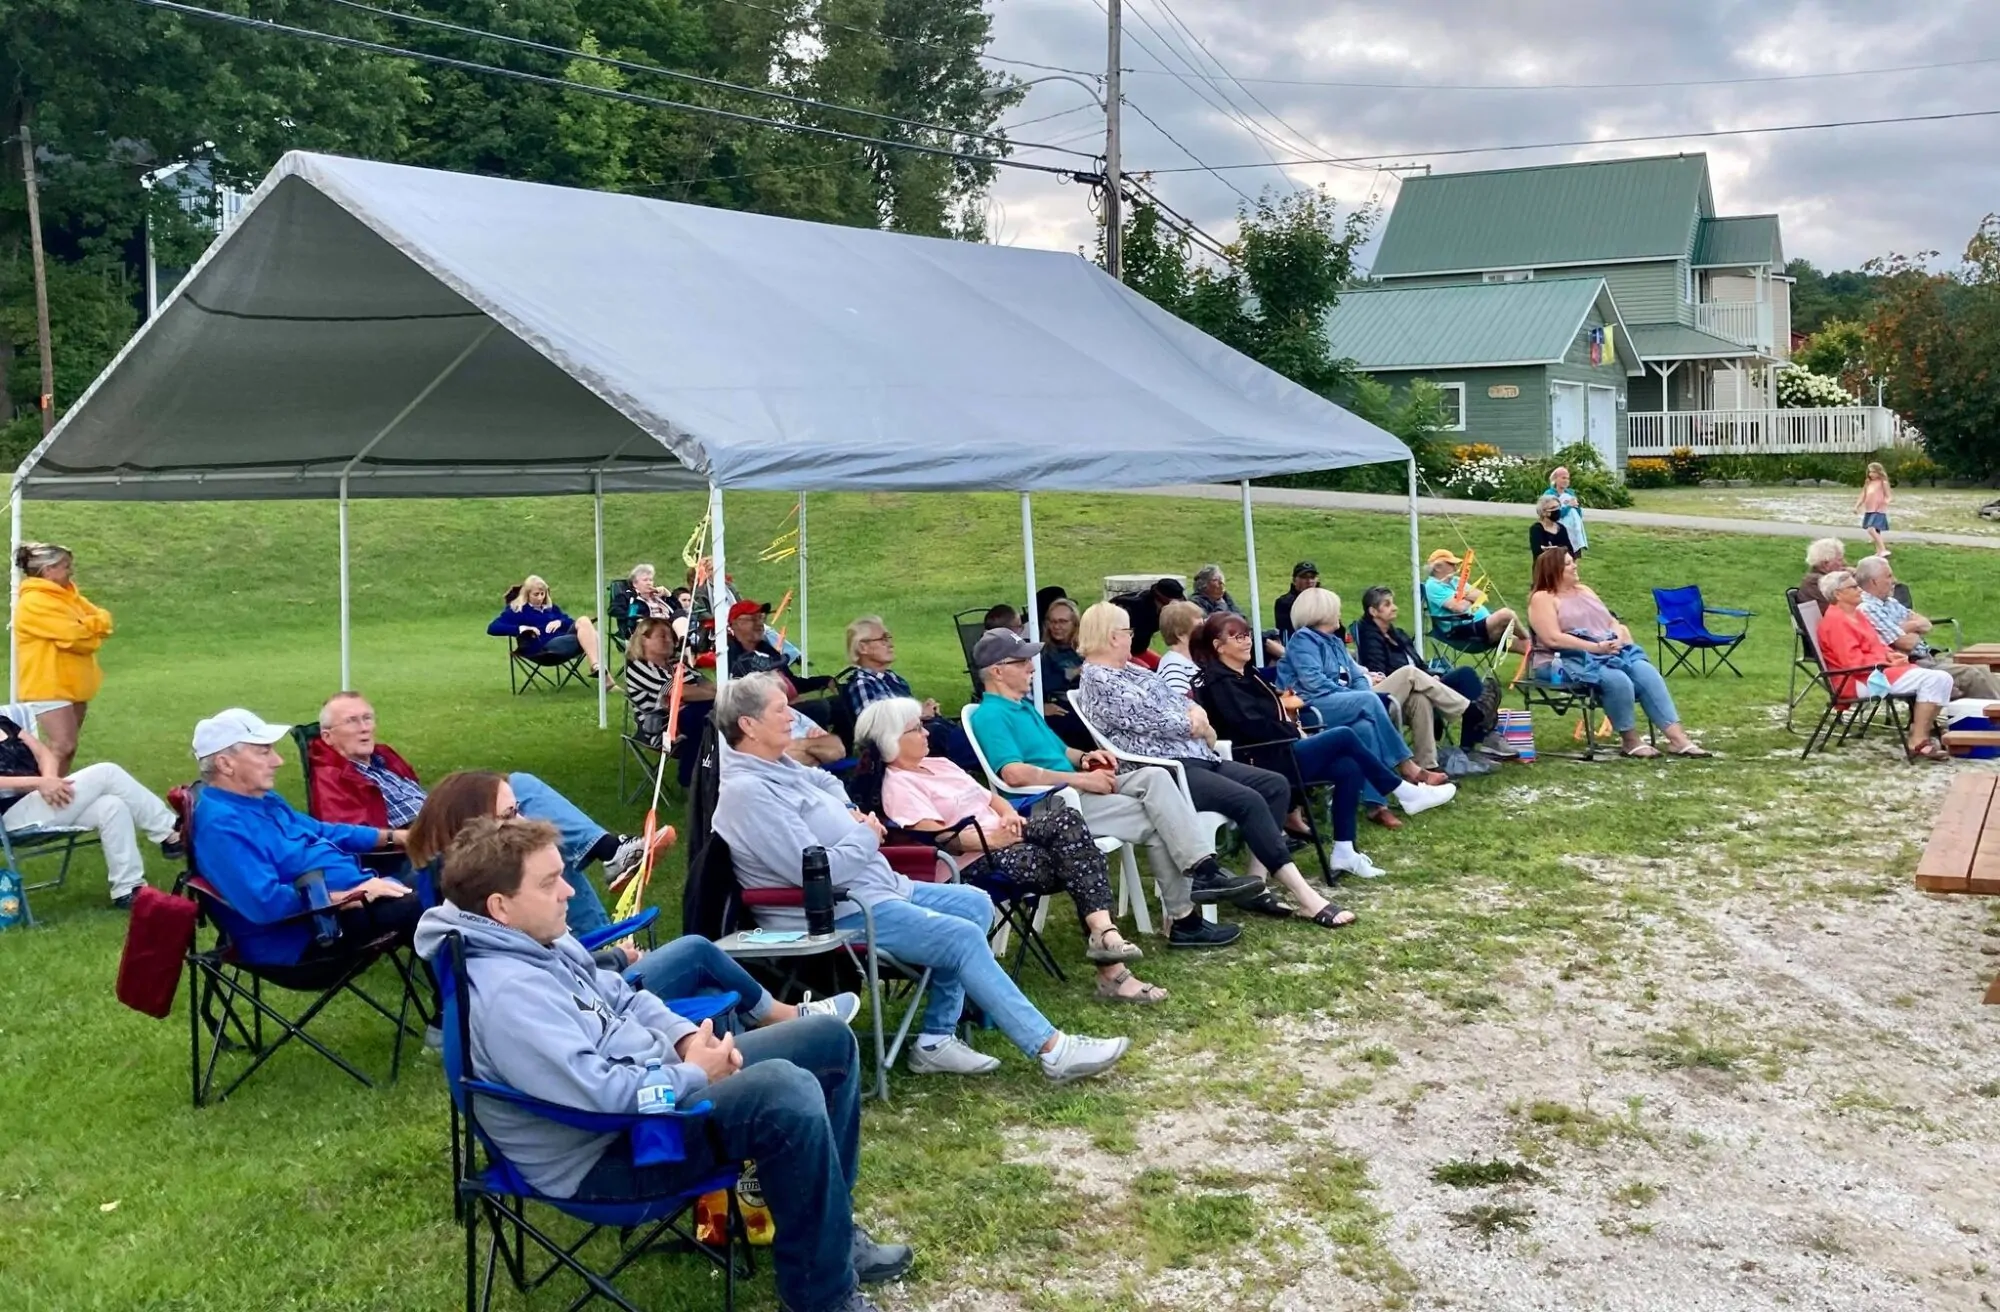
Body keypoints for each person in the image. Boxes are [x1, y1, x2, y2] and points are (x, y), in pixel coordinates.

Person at [413, 817, 909, 1312]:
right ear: (499, 907)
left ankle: (831, 1239)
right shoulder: (508, 995)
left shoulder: (542, 939)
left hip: (654, 1097)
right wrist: (694, 1074)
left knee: (827, 1041)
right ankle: (820, 1300)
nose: (568, 891)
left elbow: (626, 997)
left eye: (561, 874)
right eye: (549, 883)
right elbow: (602, 1097)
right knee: (784, 1091)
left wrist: (688, 1039)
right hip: (609, 1155)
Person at [713, 673, 1132, 1082]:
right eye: (780, 710)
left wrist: (846, 810)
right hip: (836, 911)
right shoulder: (749, 791)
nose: (793, 717)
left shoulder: (781, 768)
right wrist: (864, 833)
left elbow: (823, 779)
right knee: (960, 937)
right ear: (748, 725)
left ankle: (934, 1039)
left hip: (877, 888)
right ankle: (1052, 1049)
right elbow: (814, 873)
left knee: (975, 904)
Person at [404, 769, 858, 1023]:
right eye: (510, 813)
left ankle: (762, 1035)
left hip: (589, 982)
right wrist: (616, 961)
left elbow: (549, 962)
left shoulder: (481, 888)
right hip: (590, 1002)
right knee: (699, 957)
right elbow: (547, 978)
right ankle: (779, 1022)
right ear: (475, 824)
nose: (522, 820)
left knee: (702, 968)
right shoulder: (491, 895)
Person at [857, 698, 1166, 1004]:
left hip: (1006, 837)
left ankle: (1103, 932)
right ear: (891, 742)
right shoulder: (899, 786)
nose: (927, 733)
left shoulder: (940, 765)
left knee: (1069, 821)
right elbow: (941, 838)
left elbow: (991, 799)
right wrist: (993, 840)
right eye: (916, 729)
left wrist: (1007, 815)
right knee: (1081, 859)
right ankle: (1111, 966)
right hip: (970, 862)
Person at [964, 629, 1256, 948]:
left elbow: (1061, 752)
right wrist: (1080, 779)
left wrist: (1088, 757)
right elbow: (1014, 773)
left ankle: (1203, 867)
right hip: (1052, 806)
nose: (1032, 669)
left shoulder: (1022, 708)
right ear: (997, 671)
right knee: (1159, 824)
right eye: (1022, 663)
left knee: (1156, 776)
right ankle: (1185, 920)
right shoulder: (991, 715)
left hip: (1075, 790)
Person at [1075, 604, 1359, 929]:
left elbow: (1185, 703)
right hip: (1167, 770)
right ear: (1113, 637)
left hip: (1199, 758)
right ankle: (1307, 898)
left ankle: (1256, 882)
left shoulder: (1134, 671)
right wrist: (1193, 721)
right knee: (1248, 800)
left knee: (1275, 785)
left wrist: (1197, 718)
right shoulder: (1098, 679)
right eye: (1128, 632)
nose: (1131, 638)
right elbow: (1152, 719)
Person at [306, 691, 657, 935]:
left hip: (448, 825)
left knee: (537, 832)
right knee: (523, 798)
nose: (365, 726)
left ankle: (599, 932)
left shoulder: (382, 760)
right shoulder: (331, 776)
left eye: (368, 717)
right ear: (327, 735)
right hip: (420, 855)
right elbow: (345, 836)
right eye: (352, 721)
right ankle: (609, 862)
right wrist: (405, 835)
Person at [1190, 611, 1444, 880]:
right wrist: (1292, 728)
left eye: (1248, 634)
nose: (1247, 641)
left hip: (1279, 749)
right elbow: (1251, 726)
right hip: (1260, 761)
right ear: (1218, 646)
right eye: (1236, 636)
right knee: (1343, 735)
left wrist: (1288, 720)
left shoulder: (1247, 675)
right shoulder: (1221, 682)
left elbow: (1268, 716)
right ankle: (1403, 790)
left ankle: (1345, 851)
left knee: (1348, 767)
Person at [190, 708, 414, 967]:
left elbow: (324, 831)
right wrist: (353, 895)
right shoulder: (220, 826)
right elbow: (266, 903)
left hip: (354, 897)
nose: (278, 761)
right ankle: (457, 1002)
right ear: (225, 764)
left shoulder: (261, 799)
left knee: (450, 873)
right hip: (311, 934)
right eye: (264, 752)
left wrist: (397, 837)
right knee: (435, 903)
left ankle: (461, 996)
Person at [1274, 588, 1459, 828]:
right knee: (1369, 701)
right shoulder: (1303, 640)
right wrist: (1356, 697)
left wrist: (1357, 693)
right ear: (1322, 611)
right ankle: (1409, 769)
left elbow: (1357, 675)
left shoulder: (1335, 642)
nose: (1340, 611)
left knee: (1365, 726)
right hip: (1309, 708)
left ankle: (1376, 804)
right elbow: (1313, 683)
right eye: (1336, 607)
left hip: (1335, 702)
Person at [1527, 550, 1711, 759]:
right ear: (1554, 570)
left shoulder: (1584, 590)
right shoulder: (1542, 598)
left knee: (1646, 672)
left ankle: (1678, 740)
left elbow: (1610, 620)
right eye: (1569, 563)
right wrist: (1595, 648)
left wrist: (1616, 637)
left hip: (1608, 650)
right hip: (1562, 660)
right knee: (1616, 679)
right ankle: (1630, 740)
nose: (1575, 566)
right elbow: (1552, 639)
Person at [0, 711, 181, 908]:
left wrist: (50, 780)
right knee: (107, 772)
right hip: (12, 816)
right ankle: (171, 832)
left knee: (112, 806)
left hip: (45, 800)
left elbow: (44, 753)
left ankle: (128, 890)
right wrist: (39, 783)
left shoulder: (4, 722)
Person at [1354, 584, 1510, 767]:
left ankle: (1468, 745)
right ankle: (1474, 712)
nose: (1394, 607)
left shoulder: (1398, 634)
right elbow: (1381, 674)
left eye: (1392, 603)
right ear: (1373, 611)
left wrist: (1431, 676)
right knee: (1415, 684)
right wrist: (1422, 678)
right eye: (1387, 604)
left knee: (1465, 674)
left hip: (1424, 683)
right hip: (1400, 691)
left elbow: (1419, 664)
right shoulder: (1369, 638)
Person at [1817, 571, 1953, 758]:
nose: (1859, 590)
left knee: (1942, 679)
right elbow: (1852, 661)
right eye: (1853, 587)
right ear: (1838, 594)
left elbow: (1876, 644)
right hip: (1859, 679)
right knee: (1936, 679)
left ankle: (1920, 733)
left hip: (1876, 671)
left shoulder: (1856, 615)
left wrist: (1892, 655)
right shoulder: (1836, 622)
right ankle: (1917, 739)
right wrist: (1886, 663)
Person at [13, 542, 111, 774]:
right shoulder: (34, 602)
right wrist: (89, 630)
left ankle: (58, 796)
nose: (71, 571)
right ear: (48, 570)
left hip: (73, 685)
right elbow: (76, 637)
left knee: (69, 748)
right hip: (48, 685)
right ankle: (38, 795)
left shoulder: (68, 595)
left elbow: (103, 618)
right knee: (61, 745)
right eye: (66, 566)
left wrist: (87, 628)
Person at [840, 616, 978, 772]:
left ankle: (989, 755)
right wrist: (919, 713)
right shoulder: (862, 684)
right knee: (938, 732)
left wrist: (923, 708)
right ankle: (990, 760)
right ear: (863, 647)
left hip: (915, 733)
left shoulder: (892, 678)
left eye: (889, 638)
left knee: (951, 728)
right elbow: (877, 725)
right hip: (896, 746)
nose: (890, 644)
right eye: (883, 639)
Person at [1853, 557, 1999, 698]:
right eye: (1889, 576)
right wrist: (1913, 627)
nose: (1895, 581)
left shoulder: (1890, 602)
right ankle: (1992, 717)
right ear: (1874, 581)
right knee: (1974, 674)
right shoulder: (1867, 608)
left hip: (1928, 657)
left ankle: (1985, 715)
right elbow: (1907, 643)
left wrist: (1906, 628)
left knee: (1985, 669)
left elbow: (1926, 625)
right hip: (1910, 666)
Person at [489, 575, 610, 687]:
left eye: (543, 594)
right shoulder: (517, 610)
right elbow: (493, 627)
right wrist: (522, 628)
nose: (540, 597)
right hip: (545, 649)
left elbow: (570, 621)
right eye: (536, 594)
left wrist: (560, 622)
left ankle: (596, 666)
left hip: (565, 641)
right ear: (527, 594)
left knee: (584, 621)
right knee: (592, 636)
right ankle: (606, 679)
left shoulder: (551, 608)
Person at [624, 617, 714, 750]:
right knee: (709, 714)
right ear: (644, 640)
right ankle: (691, 769)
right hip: (664, 730)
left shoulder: (676, 664)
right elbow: (679, 692)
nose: (669, 641)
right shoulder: (638, 667)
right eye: (662, 636)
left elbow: (707, 684)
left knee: (722, 712)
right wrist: (715, 695)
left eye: (671, 636)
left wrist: (712, 694)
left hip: (692, 715)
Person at [1421, 550, 1519, 650]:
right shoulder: (1433, 586)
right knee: (1507, 615)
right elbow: (1460, 607)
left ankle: (1532, 645)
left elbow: (1482, 597)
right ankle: (1531, 638)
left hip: (1482, 625)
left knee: (1525, 644)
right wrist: (1471, 598)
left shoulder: (1456, 581)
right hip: (1464, 632)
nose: (1456, 568)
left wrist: (1461, 595)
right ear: (1438, 567)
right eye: (1451, 564)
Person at [1110, 578, 1187, 655]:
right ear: (1158, 600)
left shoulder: (1157, 611)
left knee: (1159, 664)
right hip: (1119, 651)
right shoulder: (1133, 610)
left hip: (1139, 650)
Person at [1154, 600, 1205, 698]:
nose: (1205, 631)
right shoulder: (1173, 666)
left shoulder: (1198, 660)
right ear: (1180, 634)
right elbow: (1183, 707)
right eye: (1199, 627)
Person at [1546, 466, 1588, 555]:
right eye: (1563, 478)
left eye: (1568, 478)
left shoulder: (1570, 493)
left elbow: (1578, 515)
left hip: (1572, 533)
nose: (1566, 481)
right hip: (1557, 534)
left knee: (1573, 563)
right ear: (1555, 479)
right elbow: (1553, 515)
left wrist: (1577, 507)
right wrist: (1568, 506)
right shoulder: (1549, 494)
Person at [1799, 538, 1848, 611]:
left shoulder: (1814, 579)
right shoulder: (1819, 583)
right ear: (1825, 564)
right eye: (1840, 560)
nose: (1844, 563)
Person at [1856, 461, 1892, 557]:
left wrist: (1884, 503)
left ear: (1879, 472)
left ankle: (1883, 550)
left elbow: (1889, 496)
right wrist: (1857, 506)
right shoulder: (1868, 483)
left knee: (1871, 529)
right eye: (1870, 472)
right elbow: (1863, 495)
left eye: (1873, 472)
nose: (1871, 474)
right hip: (1869, 509)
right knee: (1876, 531)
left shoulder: (1883, 483)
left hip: (1879, 510)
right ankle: (1879, 551)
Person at [1529, 495, 1575, 562]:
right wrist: (1560, 550)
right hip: (1544, 569)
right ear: (1544, 512)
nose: (1557, 510)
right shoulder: (1536, 529)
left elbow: (1570, 551)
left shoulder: (1561, 528)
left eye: (1558, 506)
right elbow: (1539, 553)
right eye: (1553, 507)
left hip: (1562, 569)